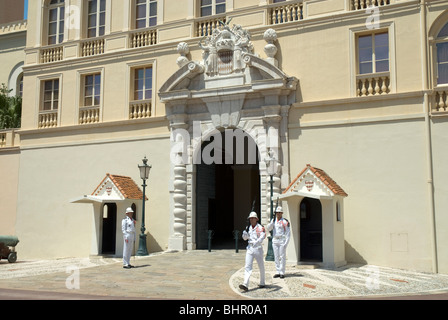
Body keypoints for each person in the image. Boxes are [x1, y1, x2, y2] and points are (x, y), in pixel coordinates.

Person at [239, 211, 266, 292]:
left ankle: (262, 282)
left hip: (257, 248)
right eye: (250, 218)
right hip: (250, 248)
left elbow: (262, 236)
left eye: (253, 218)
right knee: (247, 266)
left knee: (261, 266)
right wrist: (244, 235)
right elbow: (245, 238)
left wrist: (256, 241)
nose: (251, 220)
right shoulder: (248, 227)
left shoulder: (260, 227)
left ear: (256, 219)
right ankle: (245, 284)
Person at [266, 206, 290, 278]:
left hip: (282, 240)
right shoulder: (273, 221)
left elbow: (288, 233)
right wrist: (271, 223)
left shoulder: (285, 221)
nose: (278, 214)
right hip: (275, 240)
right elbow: (268, 228)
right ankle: (278, 271)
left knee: (282, 256)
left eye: (279, 212)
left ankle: (282, 272)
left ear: (282, 213)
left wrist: (286, 242)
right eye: (277, 212)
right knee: (276, 256)